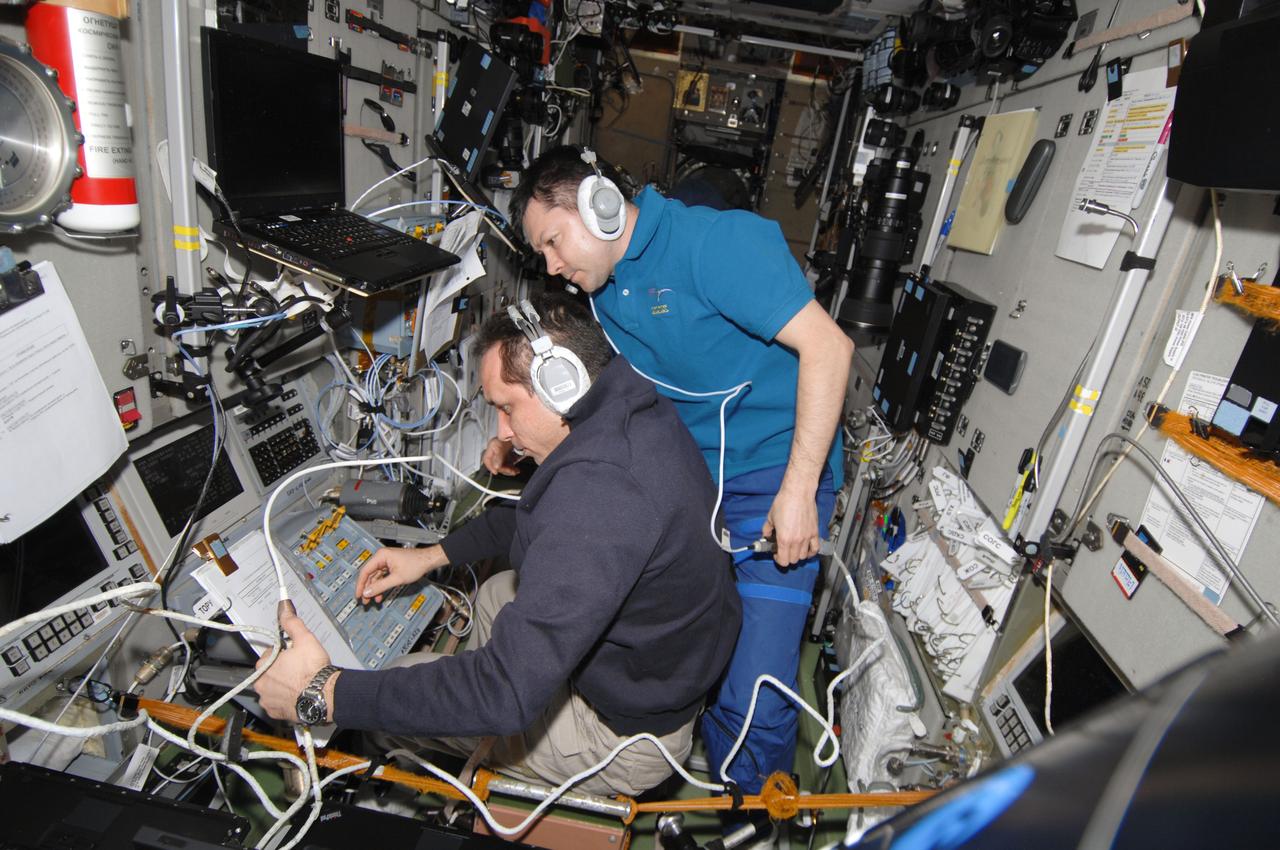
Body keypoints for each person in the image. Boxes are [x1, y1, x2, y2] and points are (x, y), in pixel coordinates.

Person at [254, 293, 741, 797]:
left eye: (507, 409)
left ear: (562, 383)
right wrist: (428, 556)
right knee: (494, 594)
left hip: (623, 738)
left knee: (395, 687)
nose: (503, 433)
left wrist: (326, 693)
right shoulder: (627, 409)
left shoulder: (600, 495)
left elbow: (503, 692)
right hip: (656, 670)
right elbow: (541, 522)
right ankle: (488, 691)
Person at [496, 147, 854, 796]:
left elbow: (831, 348)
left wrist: (799, 491)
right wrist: (525, 436)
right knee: (687, 645)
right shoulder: (604, 295)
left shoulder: (717, 245)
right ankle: (705, 766)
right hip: (694, 481)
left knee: (759, 690)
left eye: (551, 241)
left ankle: (749, 811)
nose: (551, 266)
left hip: (777, 475)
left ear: (600, 203)